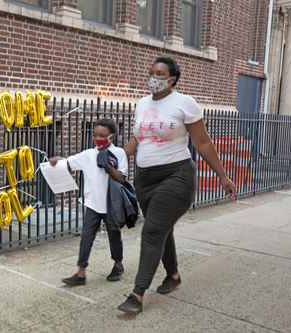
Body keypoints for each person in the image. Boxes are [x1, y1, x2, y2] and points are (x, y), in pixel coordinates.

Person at [117, 57, 237, 314]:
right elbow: (136, 139)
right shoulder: (141, 104)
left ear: (172, 79)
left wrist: (223, 176)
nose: (153, 77)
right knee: (161, 230)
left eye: (159, 73)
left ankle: (137, 294)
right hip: (145, 179)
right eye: (150, 72)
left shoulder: (185, 103)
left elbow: (202, 142)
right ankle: (173, 275)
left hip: (176, 176)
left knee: (151, 231)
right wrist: (114, 161)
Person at [49, 119, 129, 286]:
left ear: (111, 137)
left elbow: (122, 178)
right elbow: (69, 163)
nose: (97, 138)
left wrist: (108, 167)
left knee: (114, 236)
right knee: (86, 237)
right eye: (95, 135)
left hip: (111, 205)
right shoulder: (88, 154)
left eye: (102, 135)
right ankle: (81, 272)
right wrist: (57, 160)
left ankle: (118, 264)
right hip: (92, 204)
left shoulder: (119, 153)